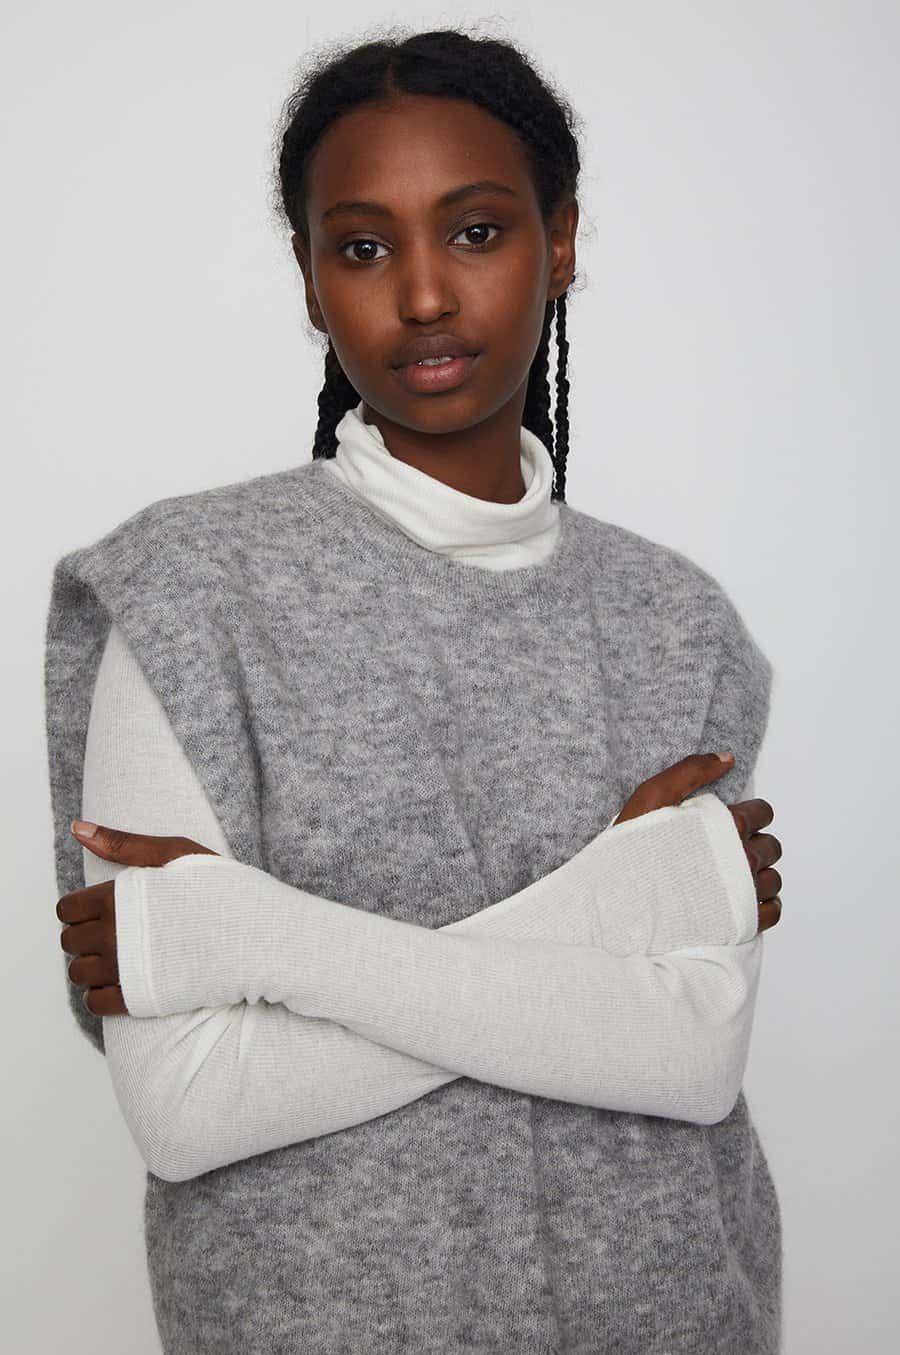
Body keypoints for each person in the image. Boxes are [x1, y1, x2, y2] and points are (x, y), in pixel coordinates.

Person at [46, 26, 784, 1354]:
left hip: (673, 1312)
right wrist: (613, 914)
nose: (427, 294)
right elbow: (188, 1106)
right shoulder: (188, 596)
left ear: (563, 241)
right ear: (310, 278)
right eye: (364, 247)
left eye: (478, 232)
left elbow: (690, 1060)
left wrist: (247, 937)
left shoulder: (682, 626)